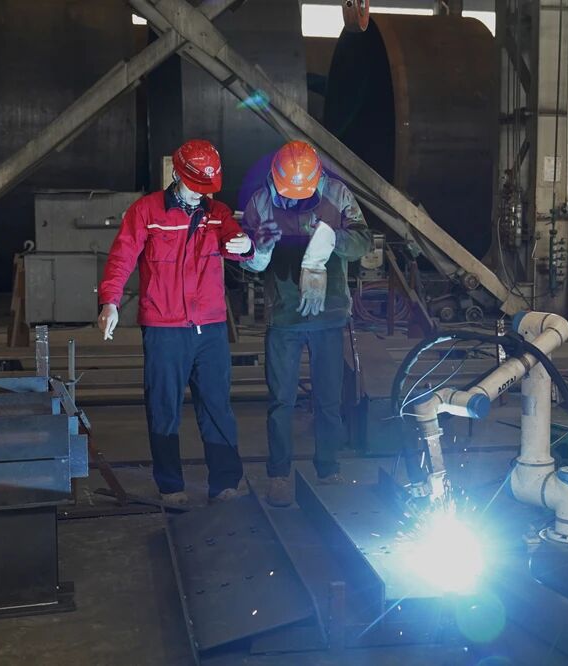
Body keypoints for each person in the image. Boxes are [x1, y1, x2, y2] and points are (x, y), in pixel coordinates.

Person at [97, 139, 254, 505]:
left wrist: (245, 246)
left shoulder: (218, 213)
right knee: (164, 407)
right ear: (177, 175)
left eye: (207, 187)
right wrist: (110, 303)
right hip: (164, 328)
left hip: (210, 327)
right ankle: (170, 487)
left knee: (216, 406)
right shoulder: (146, 211)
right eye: (196, 185)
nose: (202, 193)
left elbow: (236, 241)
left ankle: (226, 483)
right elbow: (122, 257)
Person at [240, 141, 372, 507]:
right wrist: (257, 248)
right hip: (284, 316)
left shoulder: (337, 194)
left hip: (329, 314)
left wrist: (331, 238)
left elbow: (362, 242)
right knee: (281, 402)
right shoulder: (260, 202)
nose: (295, 200)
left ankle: (328, 469)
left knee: (329, 400)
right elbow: (248, 258)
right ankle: (279, 475)